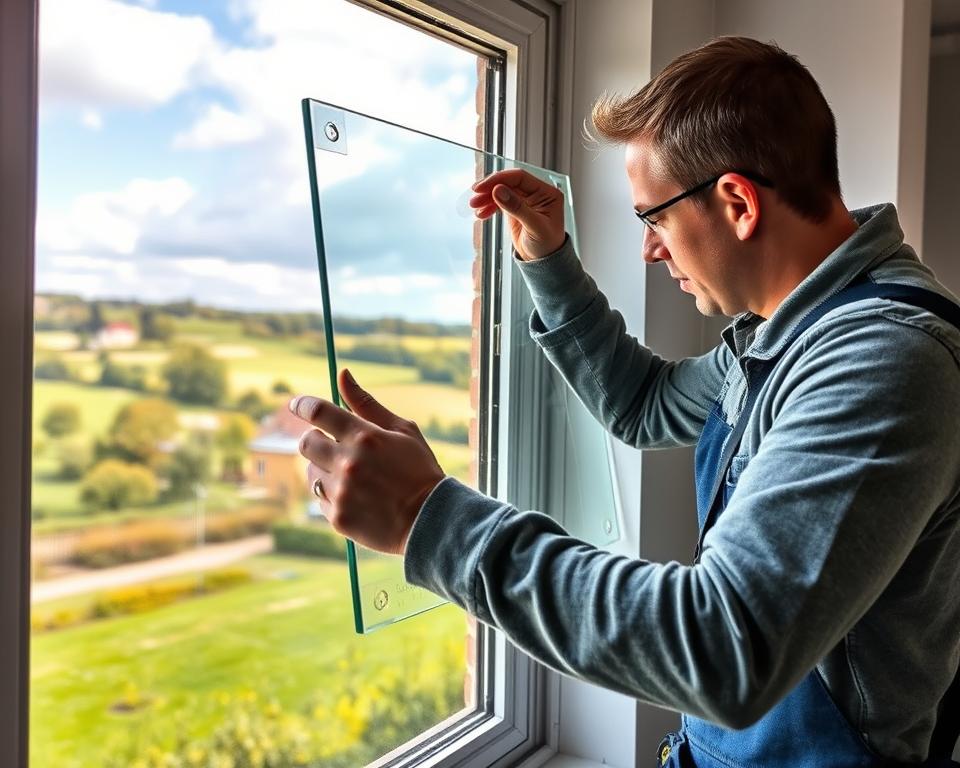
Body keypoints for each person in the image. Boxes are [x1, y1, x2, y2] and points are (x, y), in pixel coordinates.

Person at [289, 36, 960, 767]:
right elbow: (643, 406)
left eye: (655, 219)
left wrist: (429, 517)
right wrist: (548, 256)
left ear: (737, 203)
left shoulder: (884, 360)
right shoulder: (783, 333)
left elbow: (721, 647)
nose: (651, 250)